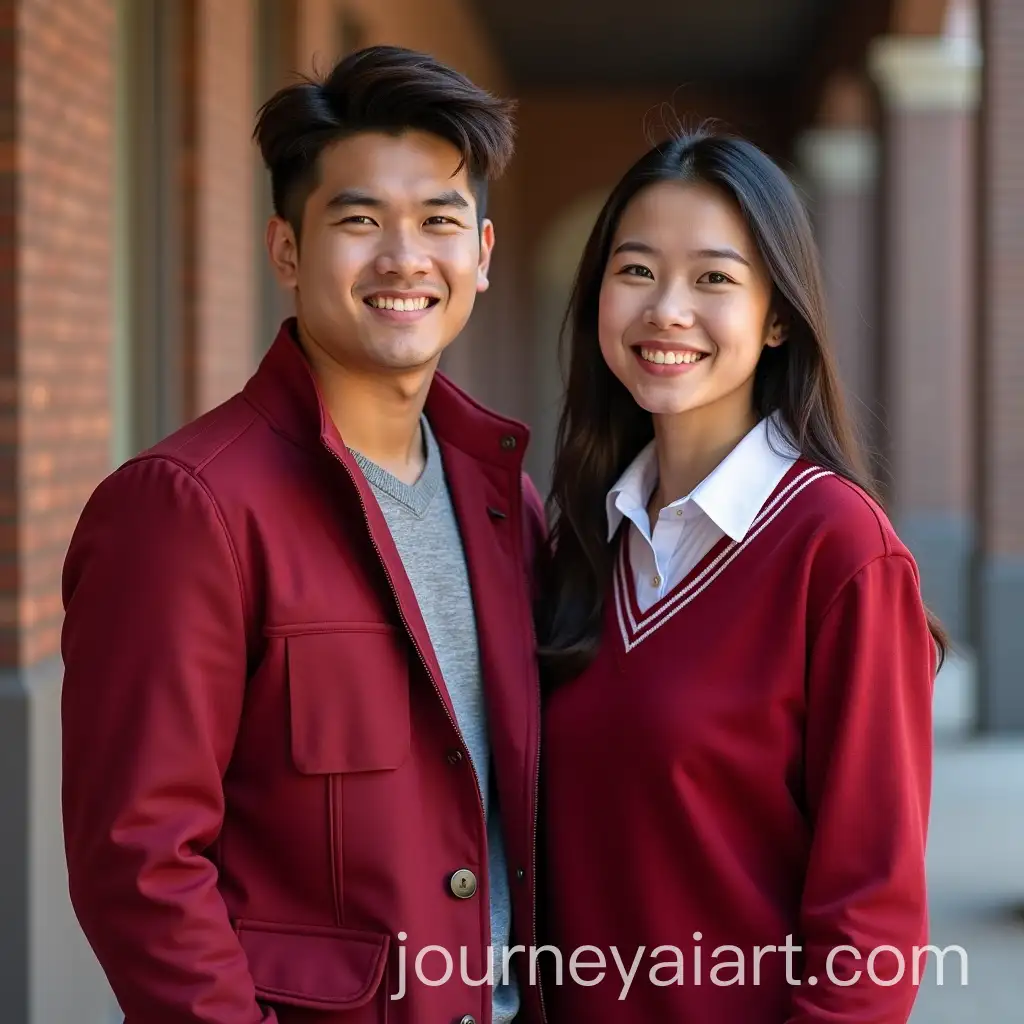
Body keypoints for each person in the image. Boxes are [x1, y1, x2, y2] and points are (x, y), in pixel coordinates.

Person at [61, 45, 545, 1024]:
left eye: (439, 222)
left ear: (482, 256)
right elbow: (141, 863)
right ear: (285, 249)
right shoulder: (186, 507)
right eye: (359, 219)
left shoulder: (508, 505)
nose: (404, 258)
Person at [536, 127, 944, 1023]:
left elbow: (871, 923)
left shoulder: (836, 548)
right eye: (636, 270)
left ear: (777, 315)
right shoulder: (578, 543)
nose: (666, 310)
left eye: (714, 278)